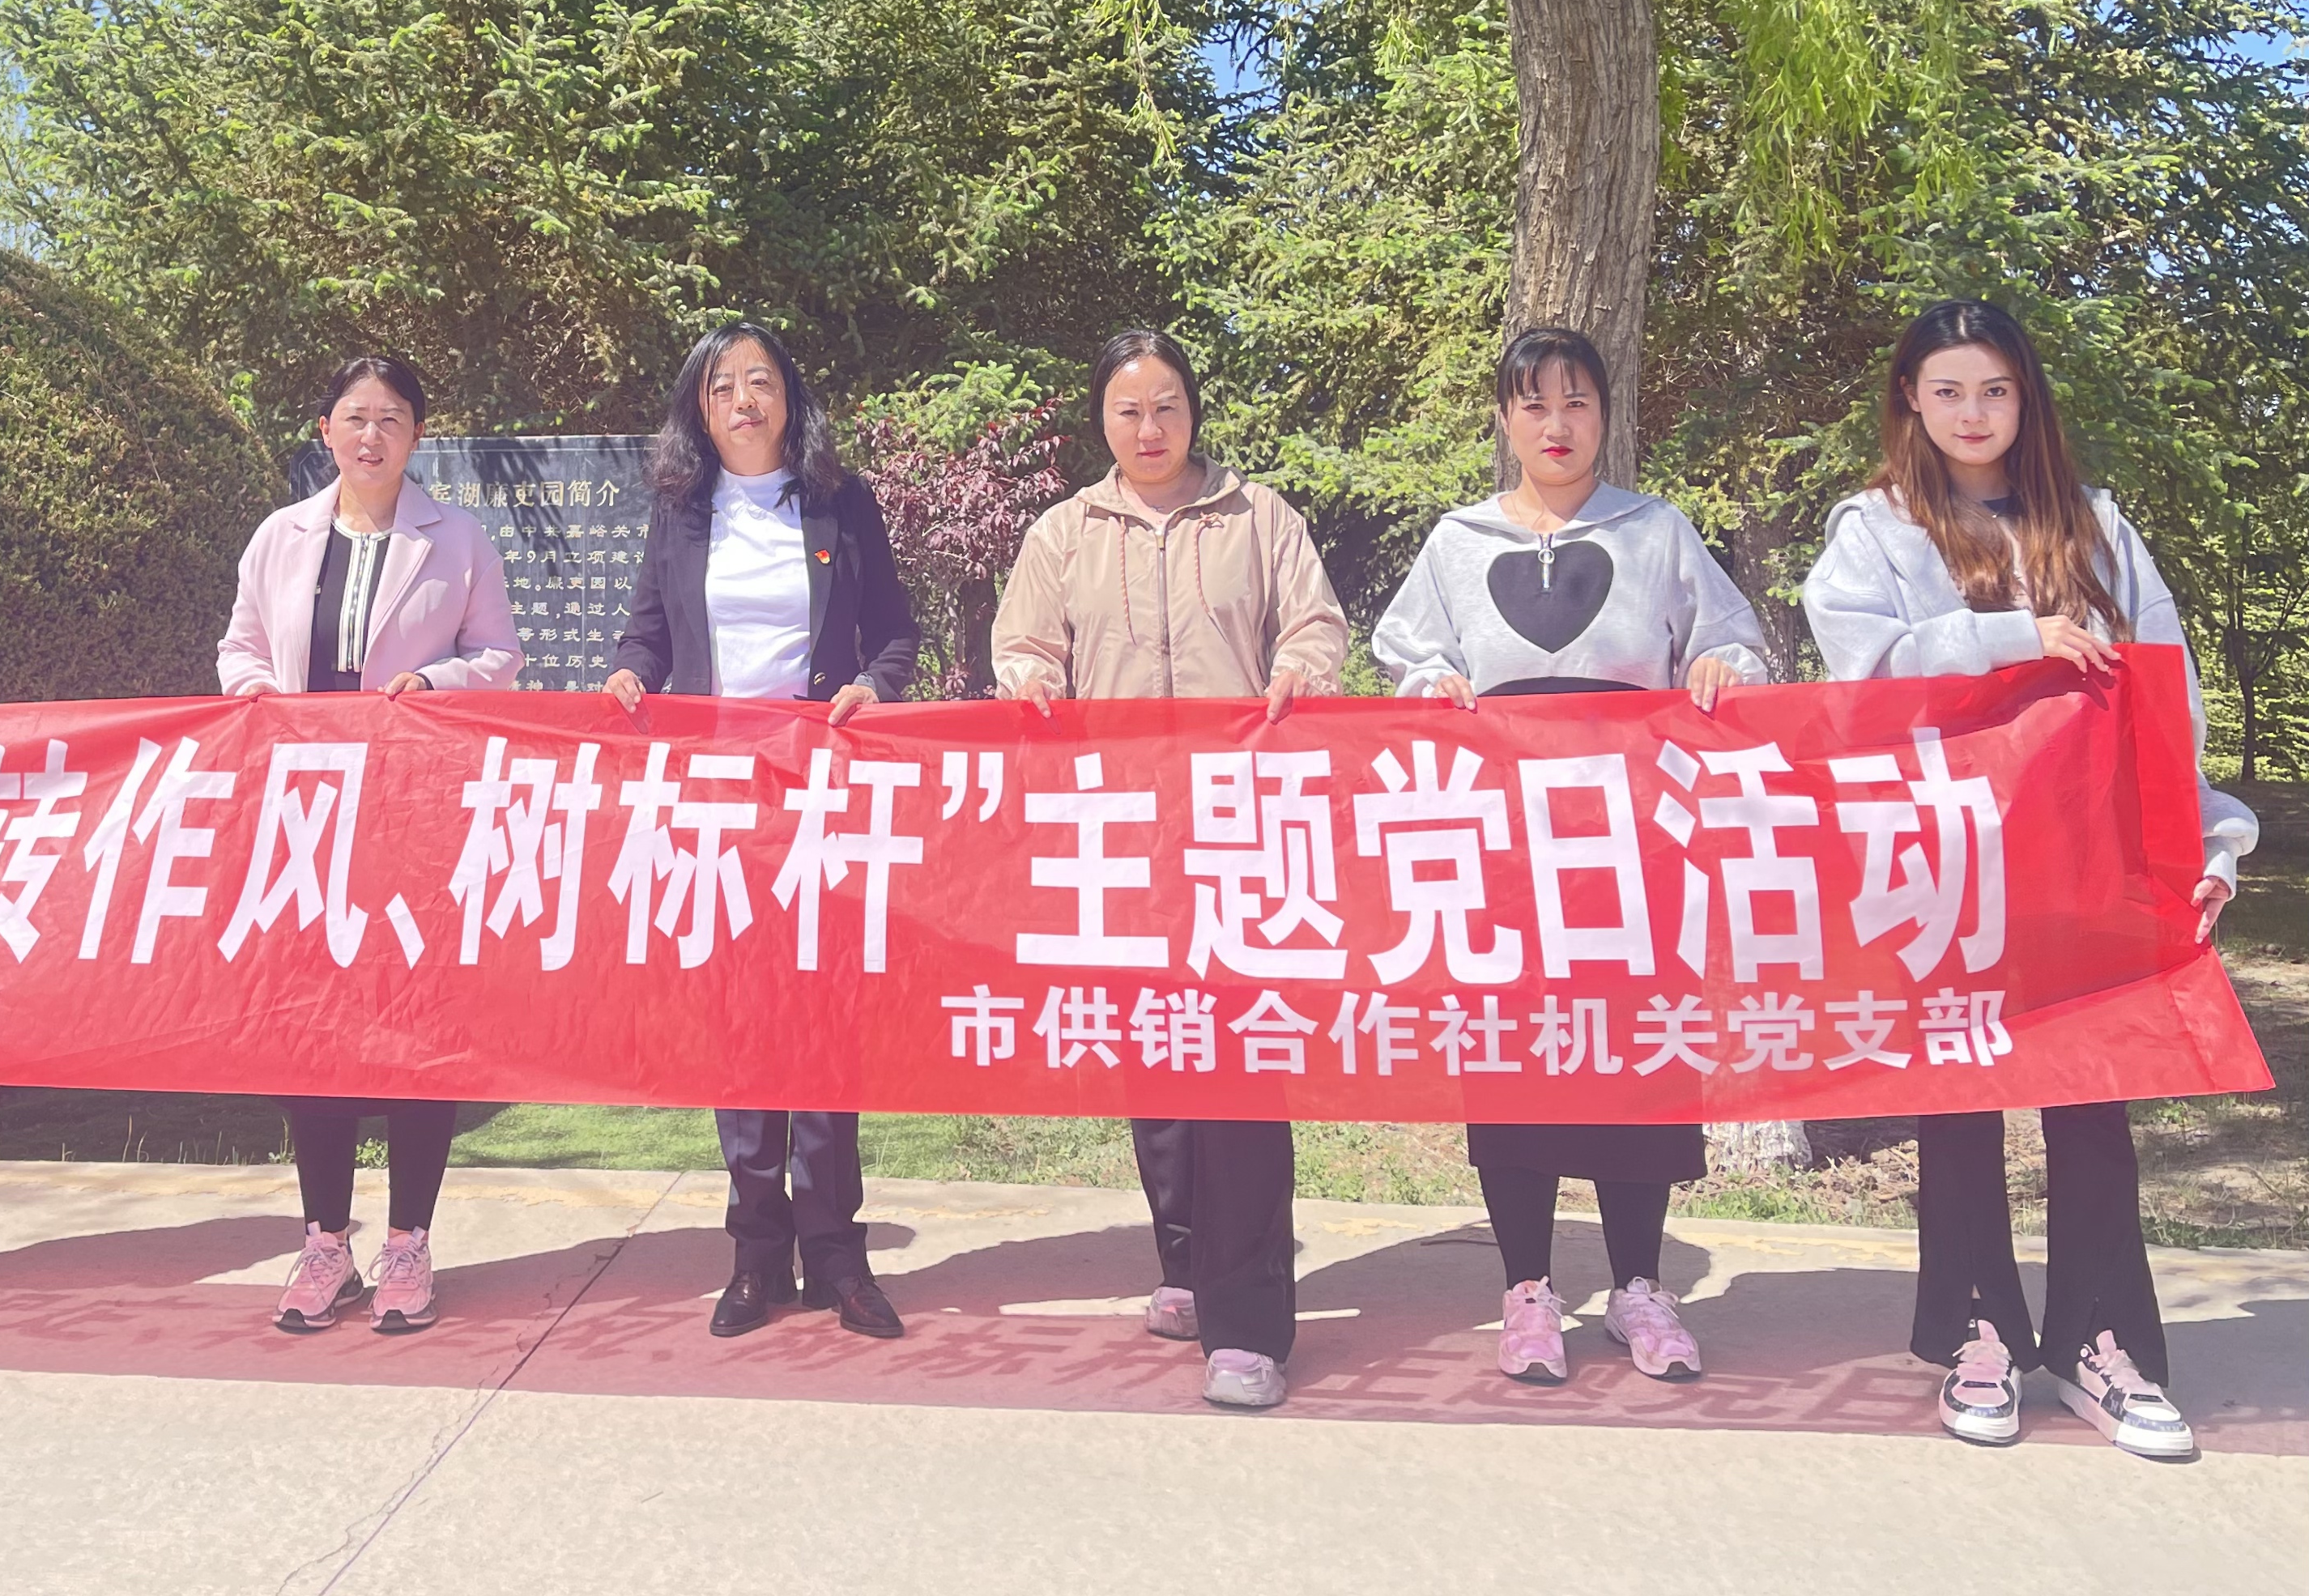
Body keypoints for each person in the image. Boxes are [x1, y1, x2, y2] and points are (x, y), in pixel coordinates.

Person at [1804, 296, 2251, 1458]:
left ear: (2024, 398)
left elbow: (2164, 690)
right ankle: (1977, 1333)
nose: (1972, 412)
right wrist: (2015, 634)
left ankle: (2102, 1342)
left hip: (2083, 856)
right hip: (1946, 856)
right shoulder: (1874, 529)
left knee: (2091, 1094)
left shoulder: (2092, 522)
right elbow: (1864, 675)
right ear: (1911, 399)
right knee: (1958, 1098)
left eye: (1993, 389)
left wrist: (2207, 837)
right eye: (1948, 390)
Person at [1373, 326, 1770, 1387]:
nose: (1556, 424)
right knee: (1514, 1053)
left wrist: (1721, 664)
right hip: (1505, 840)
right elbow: (1409, 650)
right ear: (1504, 418)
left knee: (1639, 1050)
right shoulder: (1456, 541)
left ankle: (1639, 1284)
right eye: (1534, 403)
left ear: (1605, 413)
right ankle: (1527, 1287)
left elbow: (1729, 639)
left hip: (1634, 841)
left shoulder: (1655, 530)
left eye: (1577, 402)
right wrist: (1432, 683)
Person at [992, 329, 1347, 1411]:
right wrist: (1028, 681)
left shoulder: (1259, 517)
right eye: (1127, 410)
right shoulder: (1064, 531)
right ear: (1099, 421)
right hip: (1122, 823)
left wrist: (1298, 670)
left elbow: (1316, 628)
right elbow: (1023, 646)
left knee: (1241, 1065)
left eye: (1167, 407)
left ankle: (1249, 1327)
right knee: (1158, 1057)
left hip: (1238, 821)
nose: (1149, 429)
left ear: (1194, 410)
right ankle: (1187, 1262)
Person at [606, 321, 919, 1341]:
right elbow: (650, 632)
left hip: (819, 789)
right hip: (718, 797)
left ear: (789, 397)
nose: (742, 401)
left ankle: (836, 1253)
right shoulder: (681, 509)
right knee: (742, 1026)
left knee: (823, 1023)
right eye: (721, 387)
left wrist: (874, 686)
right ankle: (755, 1254)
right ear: (699, 411)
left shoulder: (838, 501)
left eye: (760, 382)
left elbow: (895, 633)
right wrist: (631, 674)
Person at [219, 353, 522, 1337]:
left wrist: (435, 685)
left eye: (391, 418)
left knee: (413, 1027)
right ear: (325, 431)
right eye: (354, 417)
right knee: (314, 1032)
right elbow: (240, 648)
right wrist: (256, 693)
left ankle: (408, 1242)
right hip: (307, 815)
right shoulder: (279, 536)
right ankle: (323, 1242)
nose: (371, 435)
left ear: (416, 437)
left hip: (413, 813)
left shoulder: (456, 538)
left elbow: (499, 657)